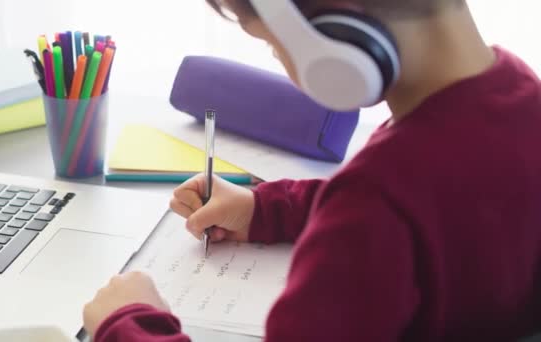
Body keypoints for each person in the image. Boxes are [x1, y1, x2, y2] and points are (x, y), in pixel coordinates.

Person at [83, 0, 541, 340]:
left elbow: (382, 212)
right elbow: (439, 209)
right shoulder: (520, 95)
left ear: (333, 33)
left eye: (270, 42)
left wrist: (126, 324)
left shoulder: (375, 204)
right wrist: (265, 209)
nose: (279, 59)